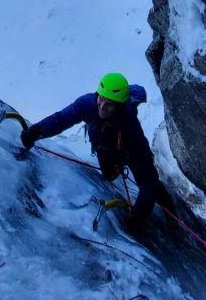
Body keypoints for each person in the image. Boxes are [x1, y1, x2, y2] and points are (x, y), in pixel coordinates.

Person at [21, 72, 175, 231]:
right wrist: (37, 131)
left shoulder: (129, 124)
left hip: (128, 152)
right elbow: (61, 119)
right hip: (103, 148)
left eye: (108, 104)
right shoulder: (88, 104)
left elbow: (146, 176)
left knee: (152, 185)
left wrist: (136, 221)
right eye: (100, 99)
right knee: (109, 175)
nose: (101, 106)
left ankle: (171, 212)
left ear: (119, 106)